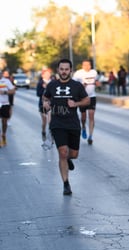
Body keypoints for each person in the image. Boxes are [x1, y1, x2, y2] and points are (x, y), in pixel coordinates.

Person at [43, 58, 90, 195]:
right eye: (61, 69)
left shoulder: (77, 86)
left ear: (70, 70)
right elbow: (46, 98)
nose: (64, 72)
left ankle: (69, 159)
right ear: (58, 70)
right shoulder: (51, 85)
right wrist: (46, 103)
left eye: (66, 69)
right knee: (62, 152)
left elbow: (86, 100)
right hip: (57, 123)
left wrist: (75, 104)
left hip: (73, 124)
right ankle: (66, 184)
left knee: (73, 154)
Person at [73, 59, 98, 145]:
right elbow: (74, 84)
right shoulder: (78, 74)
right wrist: (81, 86)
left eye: (89, 65)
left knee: (91, 116)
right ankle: (83, 127)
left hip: (92, 97)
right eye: (85, 65)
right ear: (82, 66)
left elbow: (96, 82)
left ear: (90, 65)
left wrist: (97, 83)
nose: (87, 66)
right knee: (83, 117)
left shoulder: (94, 72)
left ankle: (90, 136)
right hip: (82, 98)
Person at [0, 70, 16, 147]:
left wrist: (4, 92)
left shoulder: (6, 81)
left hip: (4, 104)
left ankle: (3, 134)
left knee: (4, 121)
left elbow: (13, 91)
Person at [36, 68, 52, 141]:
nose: (48, 75)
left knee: (50, 120)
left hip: (51, 104)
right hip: (42, 104)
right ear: (43, 75)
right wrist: (45, 90)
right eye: (46, 74)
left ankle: (51, 134)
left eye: (49, 74)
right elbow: (38, 94)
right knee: (44, 121)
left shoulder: (53, 82)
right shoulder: (40, 83)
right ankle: (43, 131)